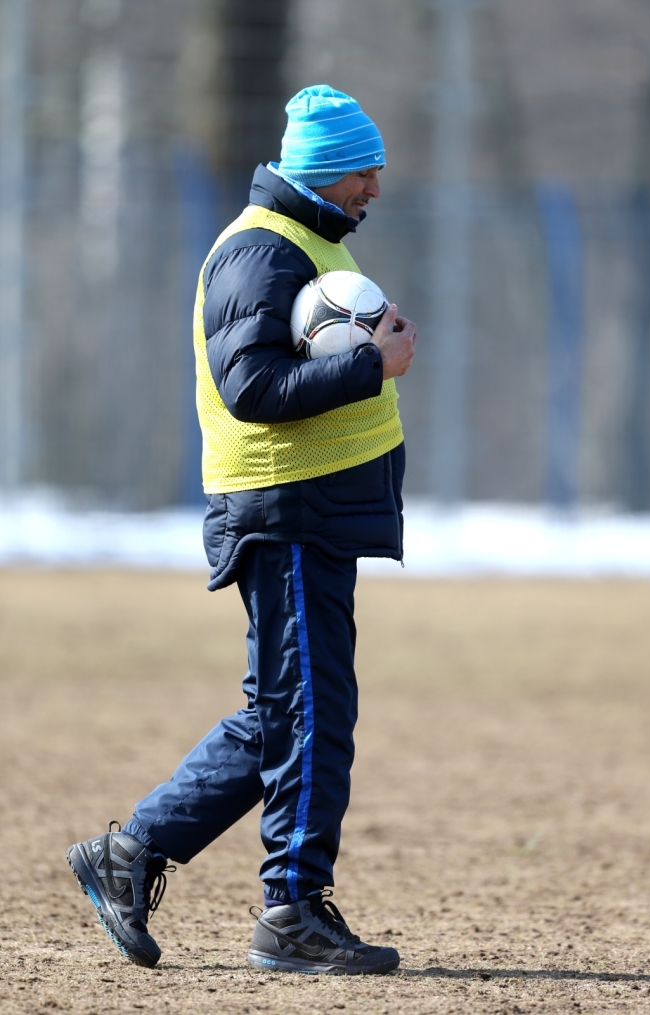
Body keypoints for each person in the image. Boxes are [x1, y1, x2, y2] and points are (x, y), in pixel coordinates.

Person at [66, 84, 417, 976]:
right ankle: (290, 911)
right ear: (326, 172)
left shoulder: (303, 246)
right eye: (363, 173)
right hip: (286, 511)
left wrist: (369, 355)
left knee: (282, 717)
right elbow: (251, 390)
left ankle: (128, 854)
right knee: (309, 715)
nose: (374, 188)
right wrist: (372, 364)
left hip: (312, 512)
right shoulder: (261, 254)